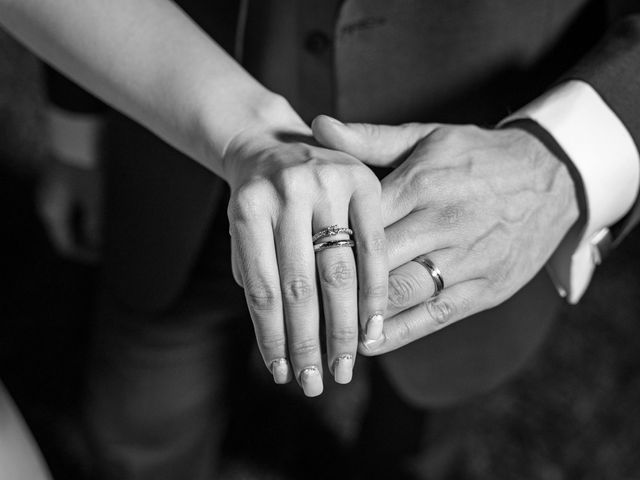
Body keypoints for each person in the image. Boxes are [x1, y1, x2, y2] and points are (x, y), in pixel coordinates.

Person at [2, 0, 639, 478]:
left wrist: (556, 164)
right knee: (141, 421)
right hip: (177, 139)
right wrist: (77, 127)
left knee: (424, 433)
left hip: (480, 167)